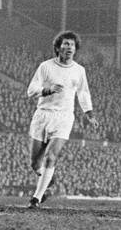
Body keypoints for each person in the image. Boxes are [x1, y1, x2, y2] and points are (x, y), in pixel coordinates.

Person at [25, 30, 96, 208]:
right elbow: (31, 90)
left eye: (72, 44)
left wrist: (89, 114)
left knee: (51, 156)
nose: (69, 47)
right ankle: (49, 179)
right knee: (35, 163)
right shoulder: (46, 67)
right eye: (65, 44)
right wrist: (47, 90)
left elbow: (83, 92)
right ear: (58, 47)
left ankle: (36, 198)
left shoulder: (79, 71)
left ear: (75, 49)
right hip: (43, 114)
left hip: (64, 117)